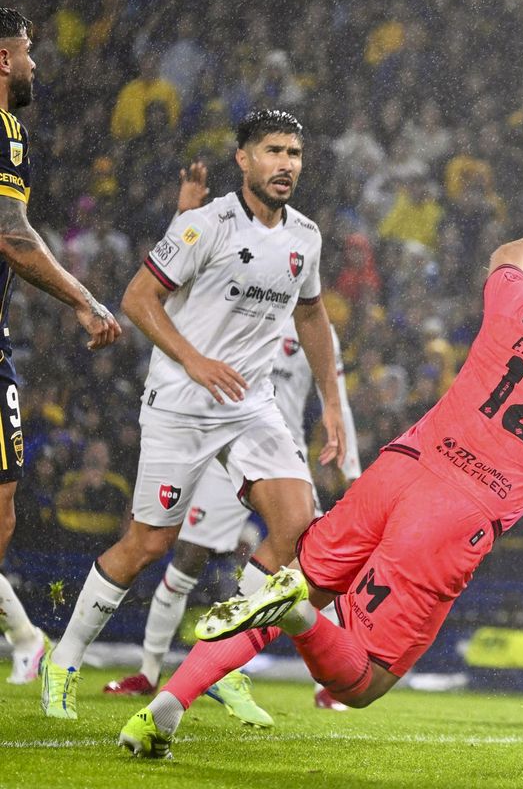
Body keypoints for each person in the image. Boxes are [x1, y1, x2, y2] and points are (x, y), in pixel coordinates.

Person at [118, 200, 523, 758]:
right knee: (362, 681)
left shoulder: (516, 310)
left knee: (298, 581)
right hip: (455, 517)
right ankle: (300, 618)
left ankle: (165, 707)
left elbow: (510, 255)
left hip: (401, 470)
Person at [41, 109, 346, 720]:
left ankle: (217, 661)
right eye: (273, 151)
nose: (286, 164)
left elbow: (312, 315)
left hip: (251, 404)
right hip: (182, 400)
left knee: (299, 531)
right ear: (243, 159)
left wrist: (331, 401)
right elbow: (137, 298)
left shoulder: (306, 236)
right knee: (149, 543)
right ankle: (64, 660)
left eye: (294, 153)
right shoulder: (205, 225)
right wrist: (195, 360)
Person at [101, 164, 362, 719]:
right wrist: (184, 215)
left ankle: (250, 669)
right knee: (185, 556)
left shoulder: (310, 325)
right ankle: (151, 669)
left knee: (313, 552)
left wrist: (351, 465)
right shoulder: (235, 304)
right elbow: (175, 283)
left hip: (272, 450)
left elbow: (332, 391)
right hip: (217, 434)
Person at [0, 7, 122, 685]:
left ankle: (25, 638)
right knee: (2, 508)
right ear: (3, 59)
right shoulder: (4, 129)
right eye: (27, 50)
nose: (35, 64)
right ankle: (27, 639)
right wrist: (84, 299)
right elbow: (11, 234)